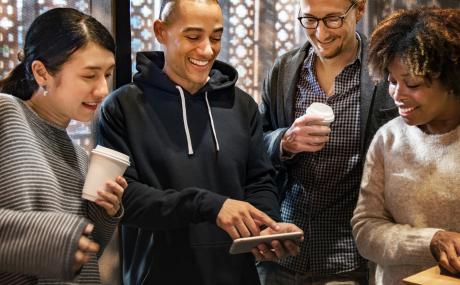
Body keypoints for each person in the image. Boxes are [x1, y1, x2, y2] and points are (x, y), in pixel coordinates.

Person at [96, 0, 303, 284]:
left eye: (216, 37)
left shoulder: (241, 105)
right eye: (193, 37)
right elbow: (125, 200)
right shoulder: (121, 108)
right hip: (156, 277)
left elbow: (259, 180)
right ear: (161, 32)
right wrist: (208, 205)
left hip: (237, 275)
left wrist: (266, 225)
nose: (207, 50)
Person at [257, 0, 399, 284]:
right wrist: (284, 140)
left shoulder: (386, 72)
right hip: (283, 253)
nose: (320, 33)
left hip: (349, 258)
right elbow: (255, 143)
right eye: (310, 20)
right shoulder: (284, 70)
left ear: (359, 10)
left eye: (333, 19)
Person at [0, 8, 127, 285]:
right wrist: (53, 237)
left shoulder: (80, 158)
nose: (104, 90)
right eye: (89, 75)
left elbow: (79, 260)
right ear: (41, 72)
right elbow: (54, 243)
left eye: (107, 74)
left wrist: (104, 214)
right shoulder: (6, 113)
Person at [351, 7, 460, 285]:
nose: (397, 95)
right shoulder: (389, 139)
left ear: (451, 79)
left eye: (412, 83)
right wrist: (430, 241)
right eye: (391, 80)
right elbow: (365, 230)